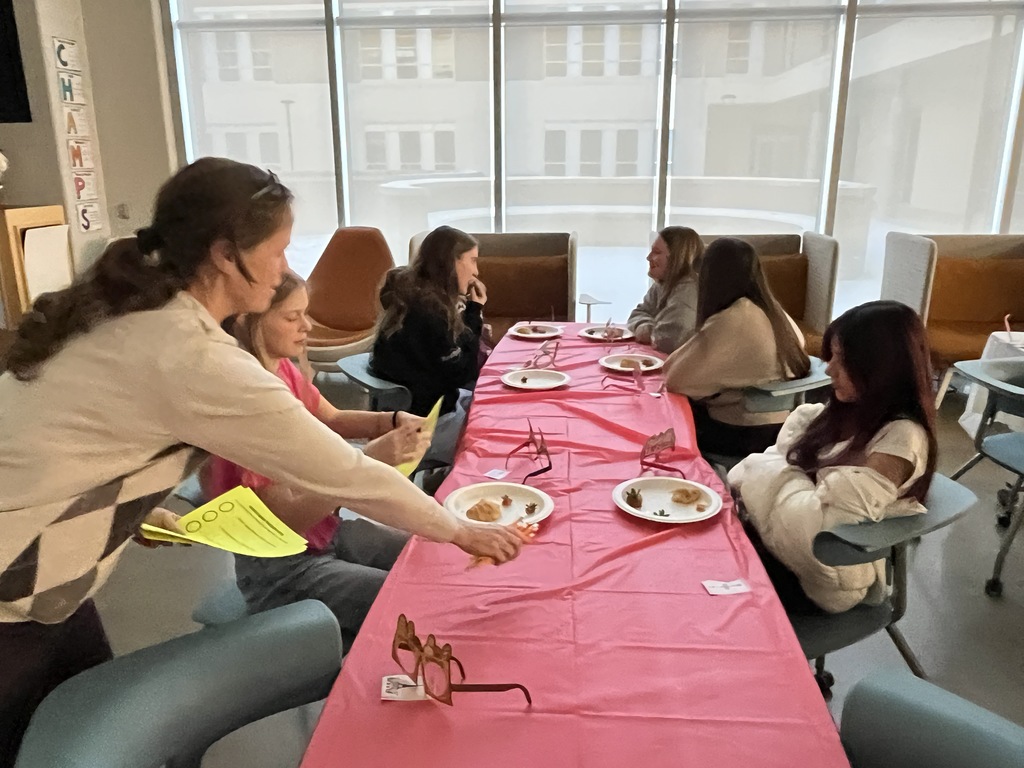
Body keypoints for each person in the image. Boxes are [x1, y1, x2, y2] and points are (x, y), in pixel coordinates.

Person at [0, 158, 521, 764]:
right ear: (226, 254)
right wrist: (462, 529)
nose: (282, 268)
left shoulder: (133, 315)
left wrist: (135, 514)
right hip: (14, 584)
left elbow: (71, 447)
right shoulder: (188, 354)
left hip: (47, 581)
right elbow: (346, 473)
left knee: (78, 719)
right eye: (278, 250)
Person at [204, 271, 429, 651]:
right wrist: (363, 466)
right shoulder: (248, 410)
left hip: (324, 535)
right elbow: (286, 520)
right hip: (283, 571)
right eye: (292, 317)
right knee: (410, 603)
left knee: (425, 555)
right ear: (248, 322)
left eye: (305, 314)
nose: (307, 326)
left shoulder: (282, 370)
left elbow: (331, 419)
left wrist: (390, 420)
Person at [728, 301, 937, 614]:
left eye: (842, 359)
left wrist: (763, 473)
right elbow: (786, 469)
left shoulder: (902, 438)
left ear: (880, 367)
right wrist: (785, 481)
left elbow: (814, 540)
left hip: (816, 580)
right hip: (772, 545)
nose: (828, 368)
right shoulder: (853, 408)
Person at [664, 237, 810, 455]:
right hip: (781, 428)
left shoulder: (732, 319)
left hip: (739, 434)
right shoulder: (776, 314)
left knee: (663, 416)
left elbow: (674, 378)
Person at [370, 225, 485, 465]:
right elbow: (465, 372)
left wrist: (467, 321)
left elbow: (448, 356)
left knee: (485, 401)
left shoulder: (413, 296)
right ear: (452, 262)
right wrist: (474, 313)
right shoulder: (432, 313)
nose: (475, 271)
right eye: (472, 261)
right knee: (491, 435)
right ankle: (452, 482)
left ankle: (440, 479)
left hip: (409, 407)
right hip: (427, 423)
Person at [627, 226, 704, 353]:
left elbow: (669, 340)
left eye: (656, 252)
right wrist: (646, 327)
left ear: (677, 257)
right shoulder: (663, 283)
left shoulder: (688, 291)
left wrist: (648, 331)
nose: (648, 257)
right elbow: (639, 313)